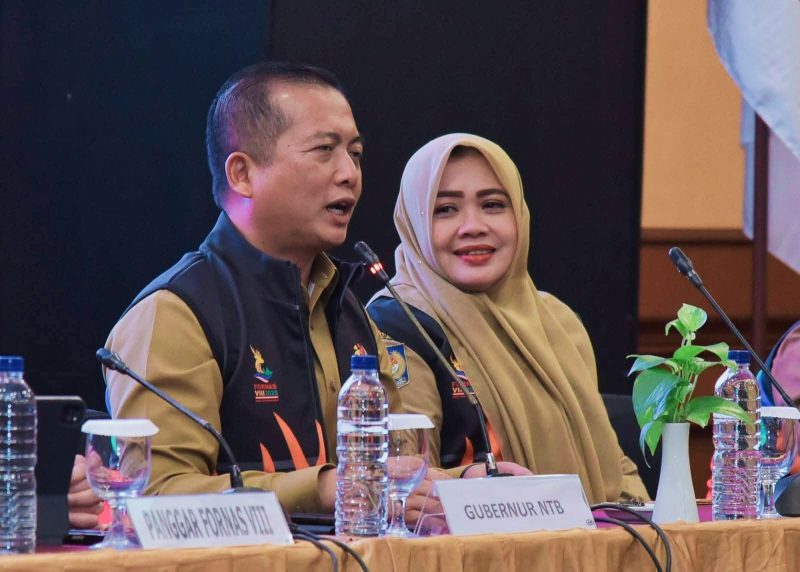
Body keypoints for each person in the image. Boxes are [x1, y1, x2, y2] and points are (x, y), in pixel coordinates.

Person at [103, 62, 413, 514]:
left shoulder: (347, 308)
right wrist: (322, 490)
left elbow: (396, 469)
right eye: (324, 150)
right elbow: (155, 498)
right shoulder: (177, 313)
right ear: (242, 175)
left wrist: (465, 483)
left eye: (356, 153)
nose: (350, 173)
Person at [367, 133, 648, 502]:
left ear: (520, 215)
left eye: (493, 205)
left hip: (590, 533)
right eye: (445, 209)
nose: (473, 225)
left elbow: (611, 463)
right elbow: (410, 485)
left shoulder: (558, 322)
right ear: (414, 223)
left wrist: (647, 524)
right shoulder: (398, 322)